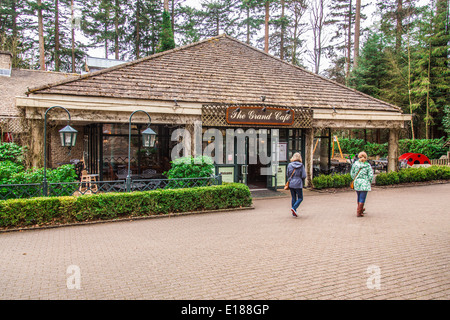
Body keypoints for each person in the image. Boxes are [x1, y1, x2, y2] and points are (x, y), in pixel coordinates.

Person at [350, 151, 374, 217]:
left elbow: (352, 173)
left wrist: (354, 179)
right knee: (362, 197)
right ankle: (359, 212)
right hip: (365, 182)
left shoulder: (355, 164)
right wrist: (369, 181)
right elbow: (370, 175)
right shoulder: (367, 165)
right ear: (366, 157)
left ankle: (360, 209)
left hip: (357, 182)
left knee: (358, 196)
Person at [286, 152, 307, 217]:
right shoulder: (301, 165)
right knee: (300, 198)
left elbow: (287, 174)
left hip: (291, 183)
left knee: (293, 197)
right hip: (298, 183)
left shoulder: (289, 165)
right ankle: (294, 208)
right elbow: (304, 175)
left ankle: (293, 213)